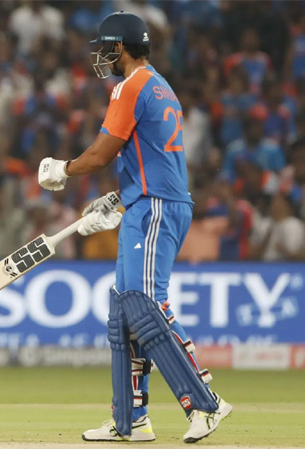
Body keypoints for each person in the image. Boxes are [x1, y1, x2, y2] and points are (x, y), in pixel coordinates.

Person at [38, 12, 233, 444]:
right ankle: (131, 419)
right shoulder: (160, 84)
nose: (102, 56)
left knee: (145, 306)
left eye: (105, 48)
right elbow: (148, 154)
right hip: (148, 202)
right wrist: (119, 198)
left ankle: (205, 403)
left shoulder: (131, 85)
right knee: (125, 313)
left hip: (155, 206)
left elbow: (102, 152)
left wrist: (63, 169)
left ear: (120, 47)